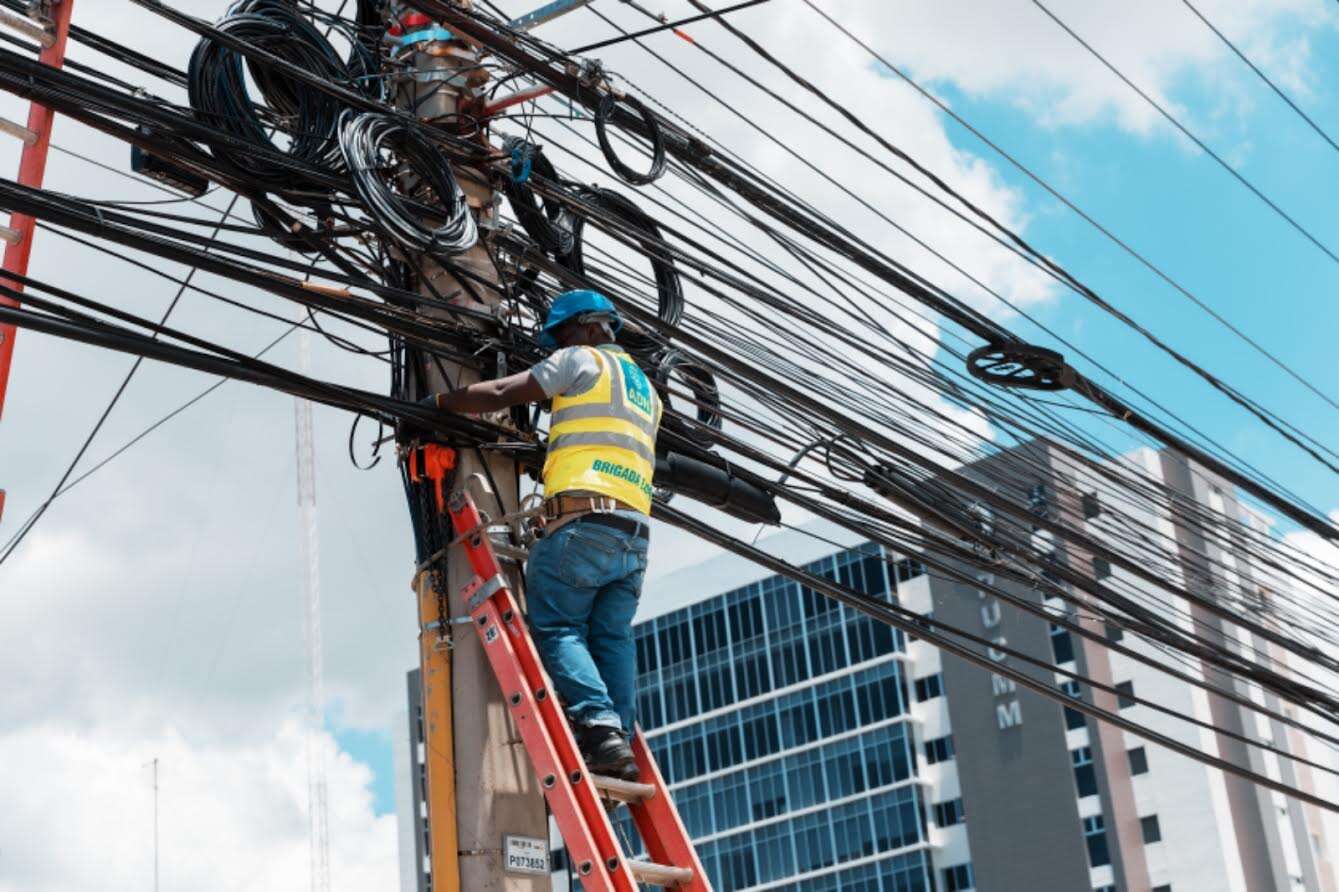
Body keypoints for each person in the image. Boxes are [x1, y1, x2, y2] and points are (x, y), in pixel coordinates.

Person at [425, 289, 662, 780]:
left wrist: (438, 403)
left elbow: (498, 394)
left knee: (558, 629)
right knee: (611, 637)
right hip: (634, 532)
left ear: (593, 328)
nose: (558, 345)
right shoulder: (646, 390)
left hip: (583, 523)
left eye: (565, 333)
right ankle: (617, 740)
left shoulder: (580, 360)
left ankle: (599, 727)